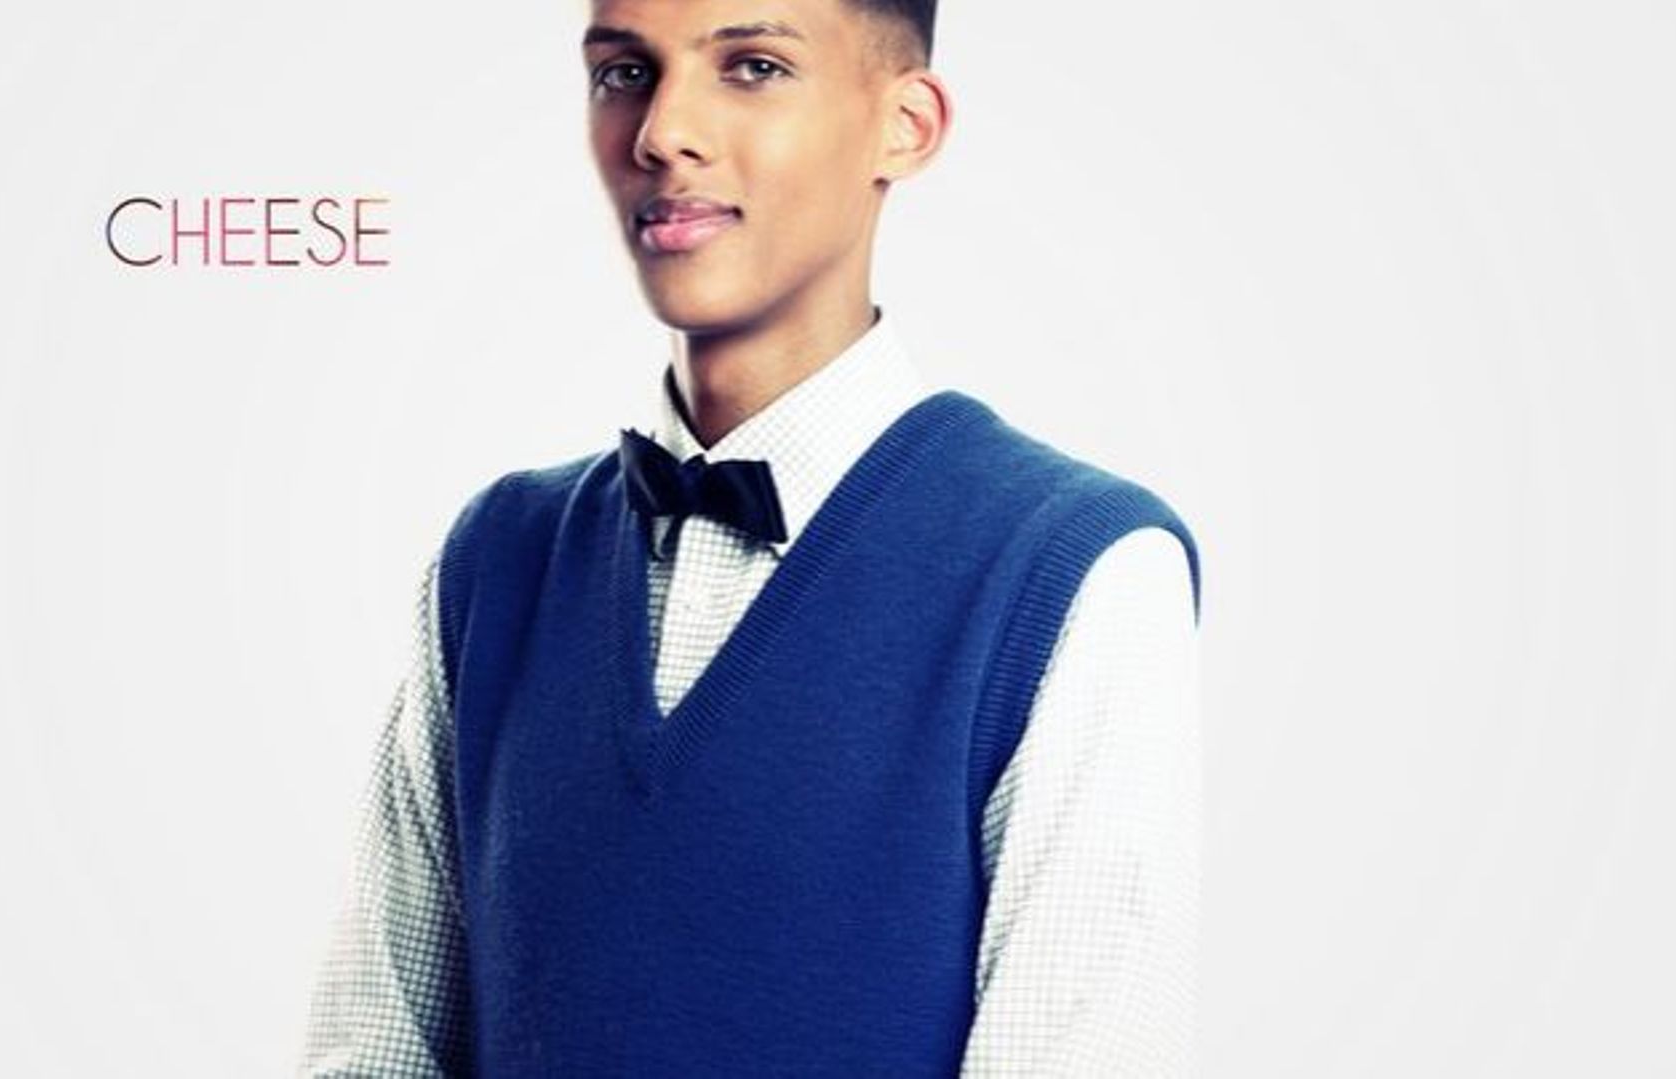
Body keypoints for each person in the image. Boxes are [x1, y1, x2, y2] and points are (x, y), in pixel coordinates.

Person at [298, 1, 1203, 1075]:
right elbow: (375, 1045)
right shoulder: (496, 559)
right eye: (625, 73)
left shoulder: (1075, 565)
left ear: (905, 126)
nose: (662, 132)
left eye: (755, 66)